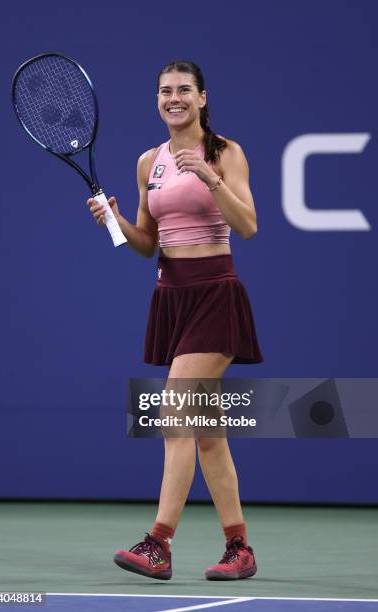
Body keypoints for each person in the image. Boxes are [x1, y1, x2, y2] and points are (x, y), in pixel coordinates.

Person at [87, 60, 263, 581]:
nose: (174, 98)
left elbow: (248, 226)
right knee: (205, 432)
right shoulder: (149, 162)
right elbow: (146, 245)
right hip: (171, 296)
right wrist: (114, 222)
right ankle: (240, 548)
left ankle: (159, 543)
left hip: (215, 294)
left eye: (184, 90)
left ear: (203, 98)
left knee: (174, 412)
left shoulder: (225, 152)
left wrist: (211, 180)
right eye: (165, 91)